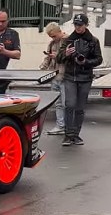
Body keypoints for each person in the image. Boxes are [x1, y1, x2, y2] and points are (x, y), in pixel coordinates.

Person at [57, 13, 102, 146]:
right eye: (76, 24)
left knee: (80, 107)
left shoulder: (93, 41)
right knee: (69, 104)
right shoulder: (68, 40)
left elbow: (99, 59)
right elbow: (58, 59)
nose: (77, 27)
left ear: (86, 25)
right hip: (70, 76)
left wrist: (86, 62)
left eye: (80, 25)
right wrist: (65, 54)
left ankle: (76, 135)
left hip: (85, 77)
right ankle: (68, 134)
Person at [39, 22, 66, 135]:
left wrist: (57, 56)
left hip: (65, 76)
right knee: (58, 103)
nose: (53, 38)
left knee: (66, 103)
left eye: (54, 36)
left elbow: (68, 57)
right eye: (51, 37)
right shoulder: (51, 44)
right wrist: (42, 68)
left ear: (60, 32)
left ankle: (68, 126)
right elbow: (48, 58)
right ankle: (60, 125)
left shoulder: (67, 41)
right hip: (55, 76)